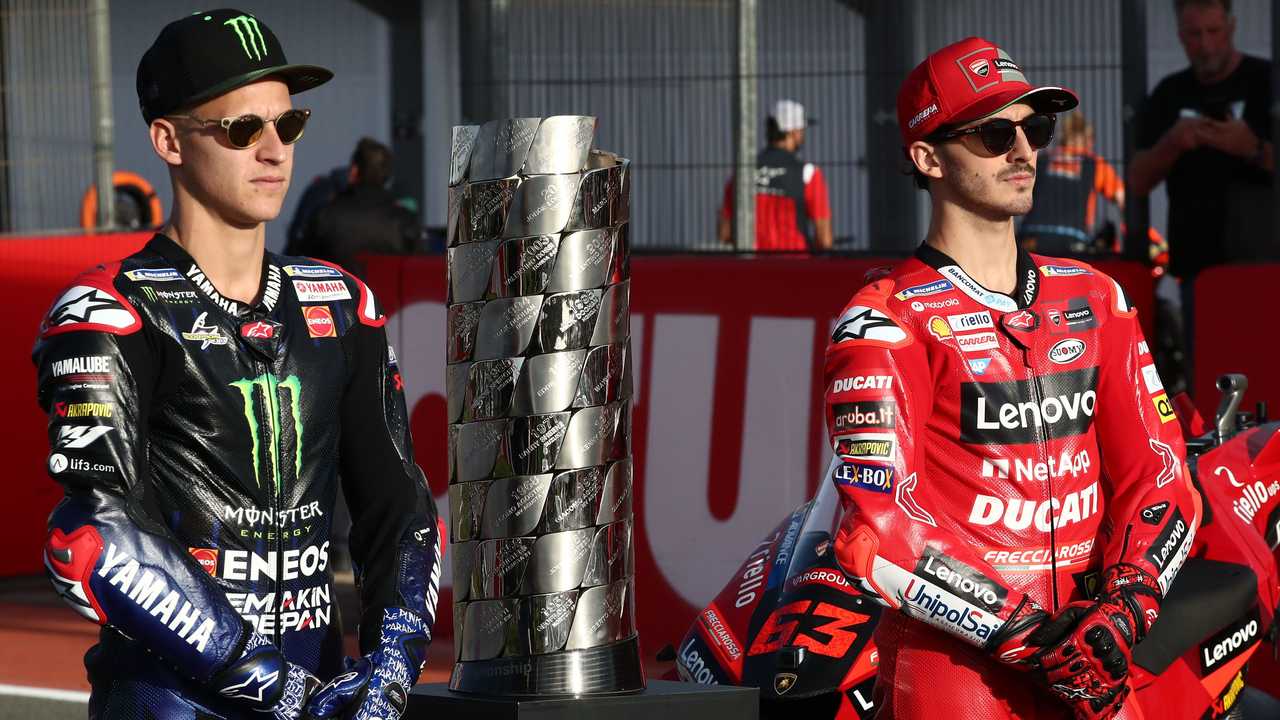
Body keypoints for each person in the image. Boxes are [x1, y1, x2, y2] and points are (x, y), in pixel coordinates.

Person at [33, 9, 441, 719]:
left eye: (289, 124)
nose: (275, 150)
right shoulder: (109, 311)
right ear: (169, 140)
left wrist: (390, 672)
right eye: (242, 128)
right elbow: (96, 535)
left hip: (319, 697)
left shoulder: (344, 304)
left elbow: (399, 507)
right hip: (170, 704)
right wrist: (270, 683)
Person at [826, 36, 1201, 719]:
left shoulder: (1097, 297)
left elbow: (1160, 473)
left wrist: (1126, 609)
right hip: (958, 670)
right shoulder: (883, 321)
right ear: (928, 158)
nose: (1024, 151)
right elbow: (877, 528)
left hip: (1097, 655)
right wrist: (1028, 637)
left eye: (1036, 129)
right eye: (995, 135)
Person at [1128, 0, 1273, 374]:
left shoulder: (1267, 82)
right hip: (1199, 270)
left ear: (1232, 26)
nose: (1206, 45)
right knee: (1211, 375)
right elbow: (1137, 180)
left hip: (1267, 264)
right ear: (1180, 35)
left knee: (1269, 372)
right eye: (1194, 35)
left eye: (1213, 32)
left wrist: (1252, 148)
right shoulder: (1170, 93)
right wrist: (1173, 143)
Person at [718, 99, 833, 251]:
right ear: (793, 132)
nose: (802, 134)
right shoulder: (808, 174)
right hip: (795, 262)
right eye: (802, 129)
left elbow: (724, 233)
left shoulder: (743, 172)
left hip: (752, 262)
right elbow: (825, 239)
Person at [297, 137, 421, 279]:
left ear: (354, 171)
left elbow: (300, 265)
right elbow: (418, 271)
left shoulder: (325, 215)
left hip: (341, 293)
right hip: (387, 293)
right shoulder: (405, 222)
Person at [1018, 114, 1125, 255]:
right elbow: (1122, 198)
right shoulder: (1095, 164)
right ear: (1089, 140)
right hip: (1072, 241)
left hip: (1030, 238)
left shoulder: (1042, 159)